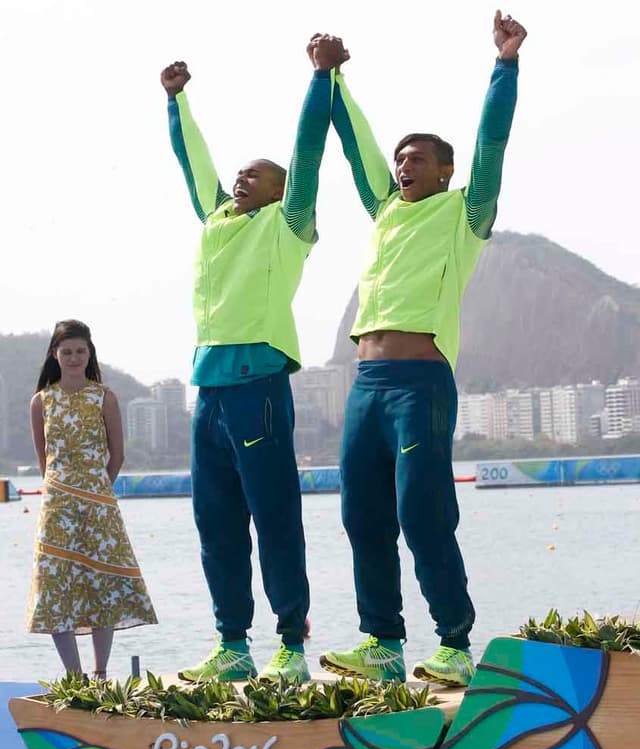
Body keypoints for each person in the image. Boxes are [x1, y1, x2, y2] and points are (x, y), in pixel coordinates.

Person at [312, 12, 527, 686]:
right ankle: (382, 642)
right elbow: (357, 146)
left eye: (417, 159)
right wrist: (332, 77)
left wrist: (505, 67)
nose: (403, 166)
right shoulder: (384, 211)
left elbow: (492, 142)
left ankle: (456, 644)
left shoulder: (464, 213)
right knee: (361, 512)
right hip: (365, 384)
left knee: (421, 509)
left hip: (420, 383)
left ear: (444, 171)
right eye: (400, 159)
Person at [160, 37, 342, 683]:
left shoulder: (286, 224)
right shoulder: (217, 221)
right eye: (241, 172)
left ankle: (291, 645)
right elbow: (194, 165)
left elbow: (308, 154)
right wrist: (177, 101)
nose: (242, 178)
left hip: (258, 385)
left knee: (274, 517)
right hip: (207, 390)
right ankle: (231, 642)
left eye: (256, 174)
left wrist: (320, 81)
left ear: (280, 193)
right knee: (215, 524)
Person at [27, 320, 157, 679]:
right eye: (66, 351)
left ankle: (100, 674)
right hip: (57, 506)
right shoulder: (41, 401)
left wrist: (98, 490)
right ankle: (74, 675)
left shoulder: (104, 396)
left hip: (99, 504)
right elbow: (44, 459)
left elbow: (117, 455)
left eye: (80, 351)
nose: (73, 358)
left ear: (89, 354)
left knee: (104, 583)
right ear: (55, 354)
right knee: (54, 584)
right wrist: (63, 491)